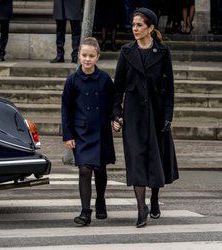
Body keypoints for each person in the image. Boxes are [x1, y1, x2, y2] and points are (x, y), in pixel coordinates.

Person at [112, 8, 179, 228]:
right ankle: (141, 209)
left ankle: (154, 198)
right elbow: (118, 87)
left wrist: (168, 116)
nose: (135, 29)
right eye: (133, 25)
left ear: (151, 28)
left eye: (140, 25)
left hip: (157, 115)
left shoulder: (163, 52)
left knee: (155, 160)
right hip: (133, 116)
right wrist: (116, 113)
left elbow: (169, 89)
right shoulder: (126, 51)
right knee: (137, 161)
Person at [61, 37, 116, 226]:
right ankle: (85, 212)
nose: (87, 59)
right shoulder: (72, 80)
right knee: (84, 170)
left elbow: (112, 103)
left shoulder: (104, 79)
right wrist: (67, 135)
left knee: (100, 169)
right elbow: (66, 109)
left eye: (91, 56)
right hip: (81, 133)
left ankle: (100, 200)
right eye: (84, 55)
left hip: (101, 131)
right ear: (79, 56)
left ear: (97, 57)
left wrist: (116, 119)